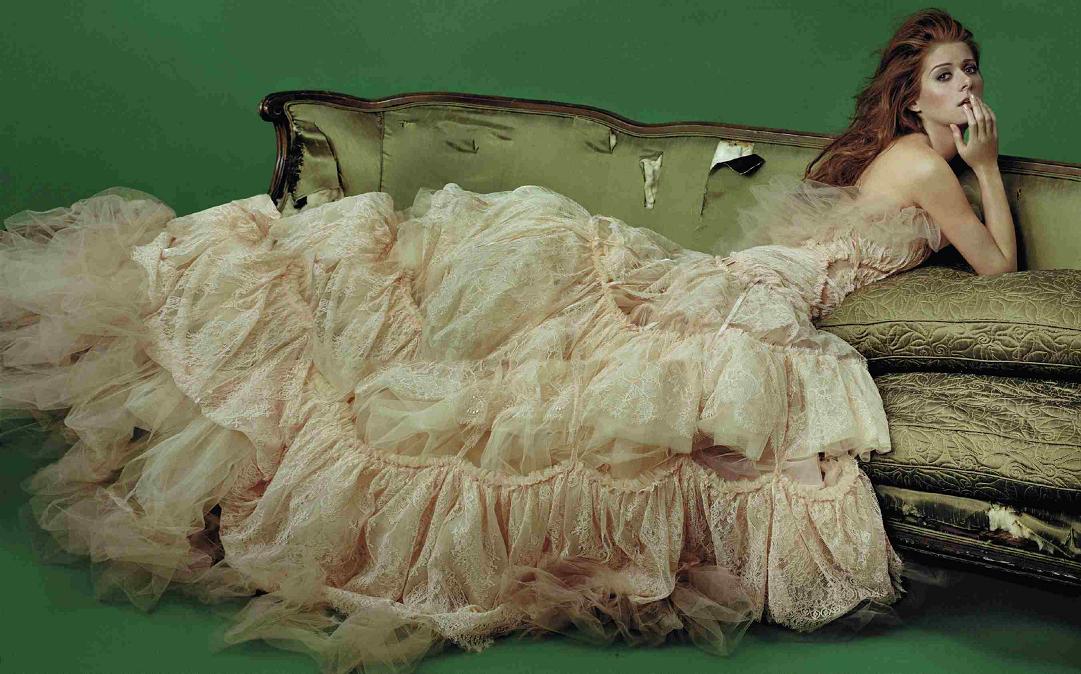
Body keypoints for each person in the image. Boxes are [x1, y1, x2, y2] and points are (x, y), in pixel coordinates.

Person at [0, 7, 1011, 674]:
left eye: (969, 71)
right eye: (945, 75)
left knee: (571, 387)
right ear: (910, 94)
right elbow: (998, 269)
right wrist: (989, 165)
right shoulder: (928, 169)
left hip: (766, 288)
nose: (963, 87)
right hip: (764, 292)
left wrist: (976, 161)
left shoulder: (908, 161)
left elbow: (969, 272)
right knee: (555, 377)